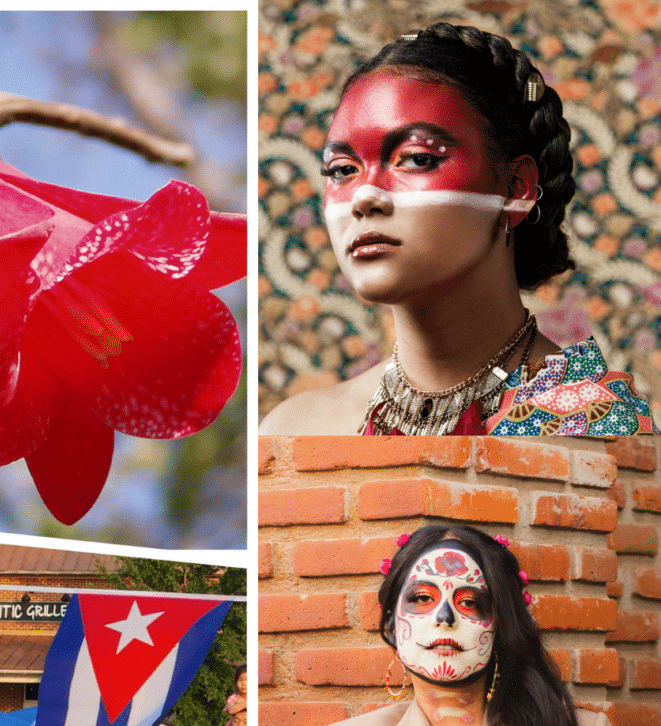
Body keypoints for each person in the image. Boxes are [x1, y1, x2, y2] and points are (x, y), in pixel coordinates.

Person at [259, 23, 654, 437]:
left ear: (517, 188)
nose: (364, 197)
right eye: (342, 170)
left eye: (416, 159)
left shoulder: (597, 429)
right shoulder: (293, 433)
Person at [266, 524, 661, 726]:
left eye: (471, 602)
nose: (444, 617)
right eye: (422, 598)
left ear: (501, 624)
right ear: (391, 623)